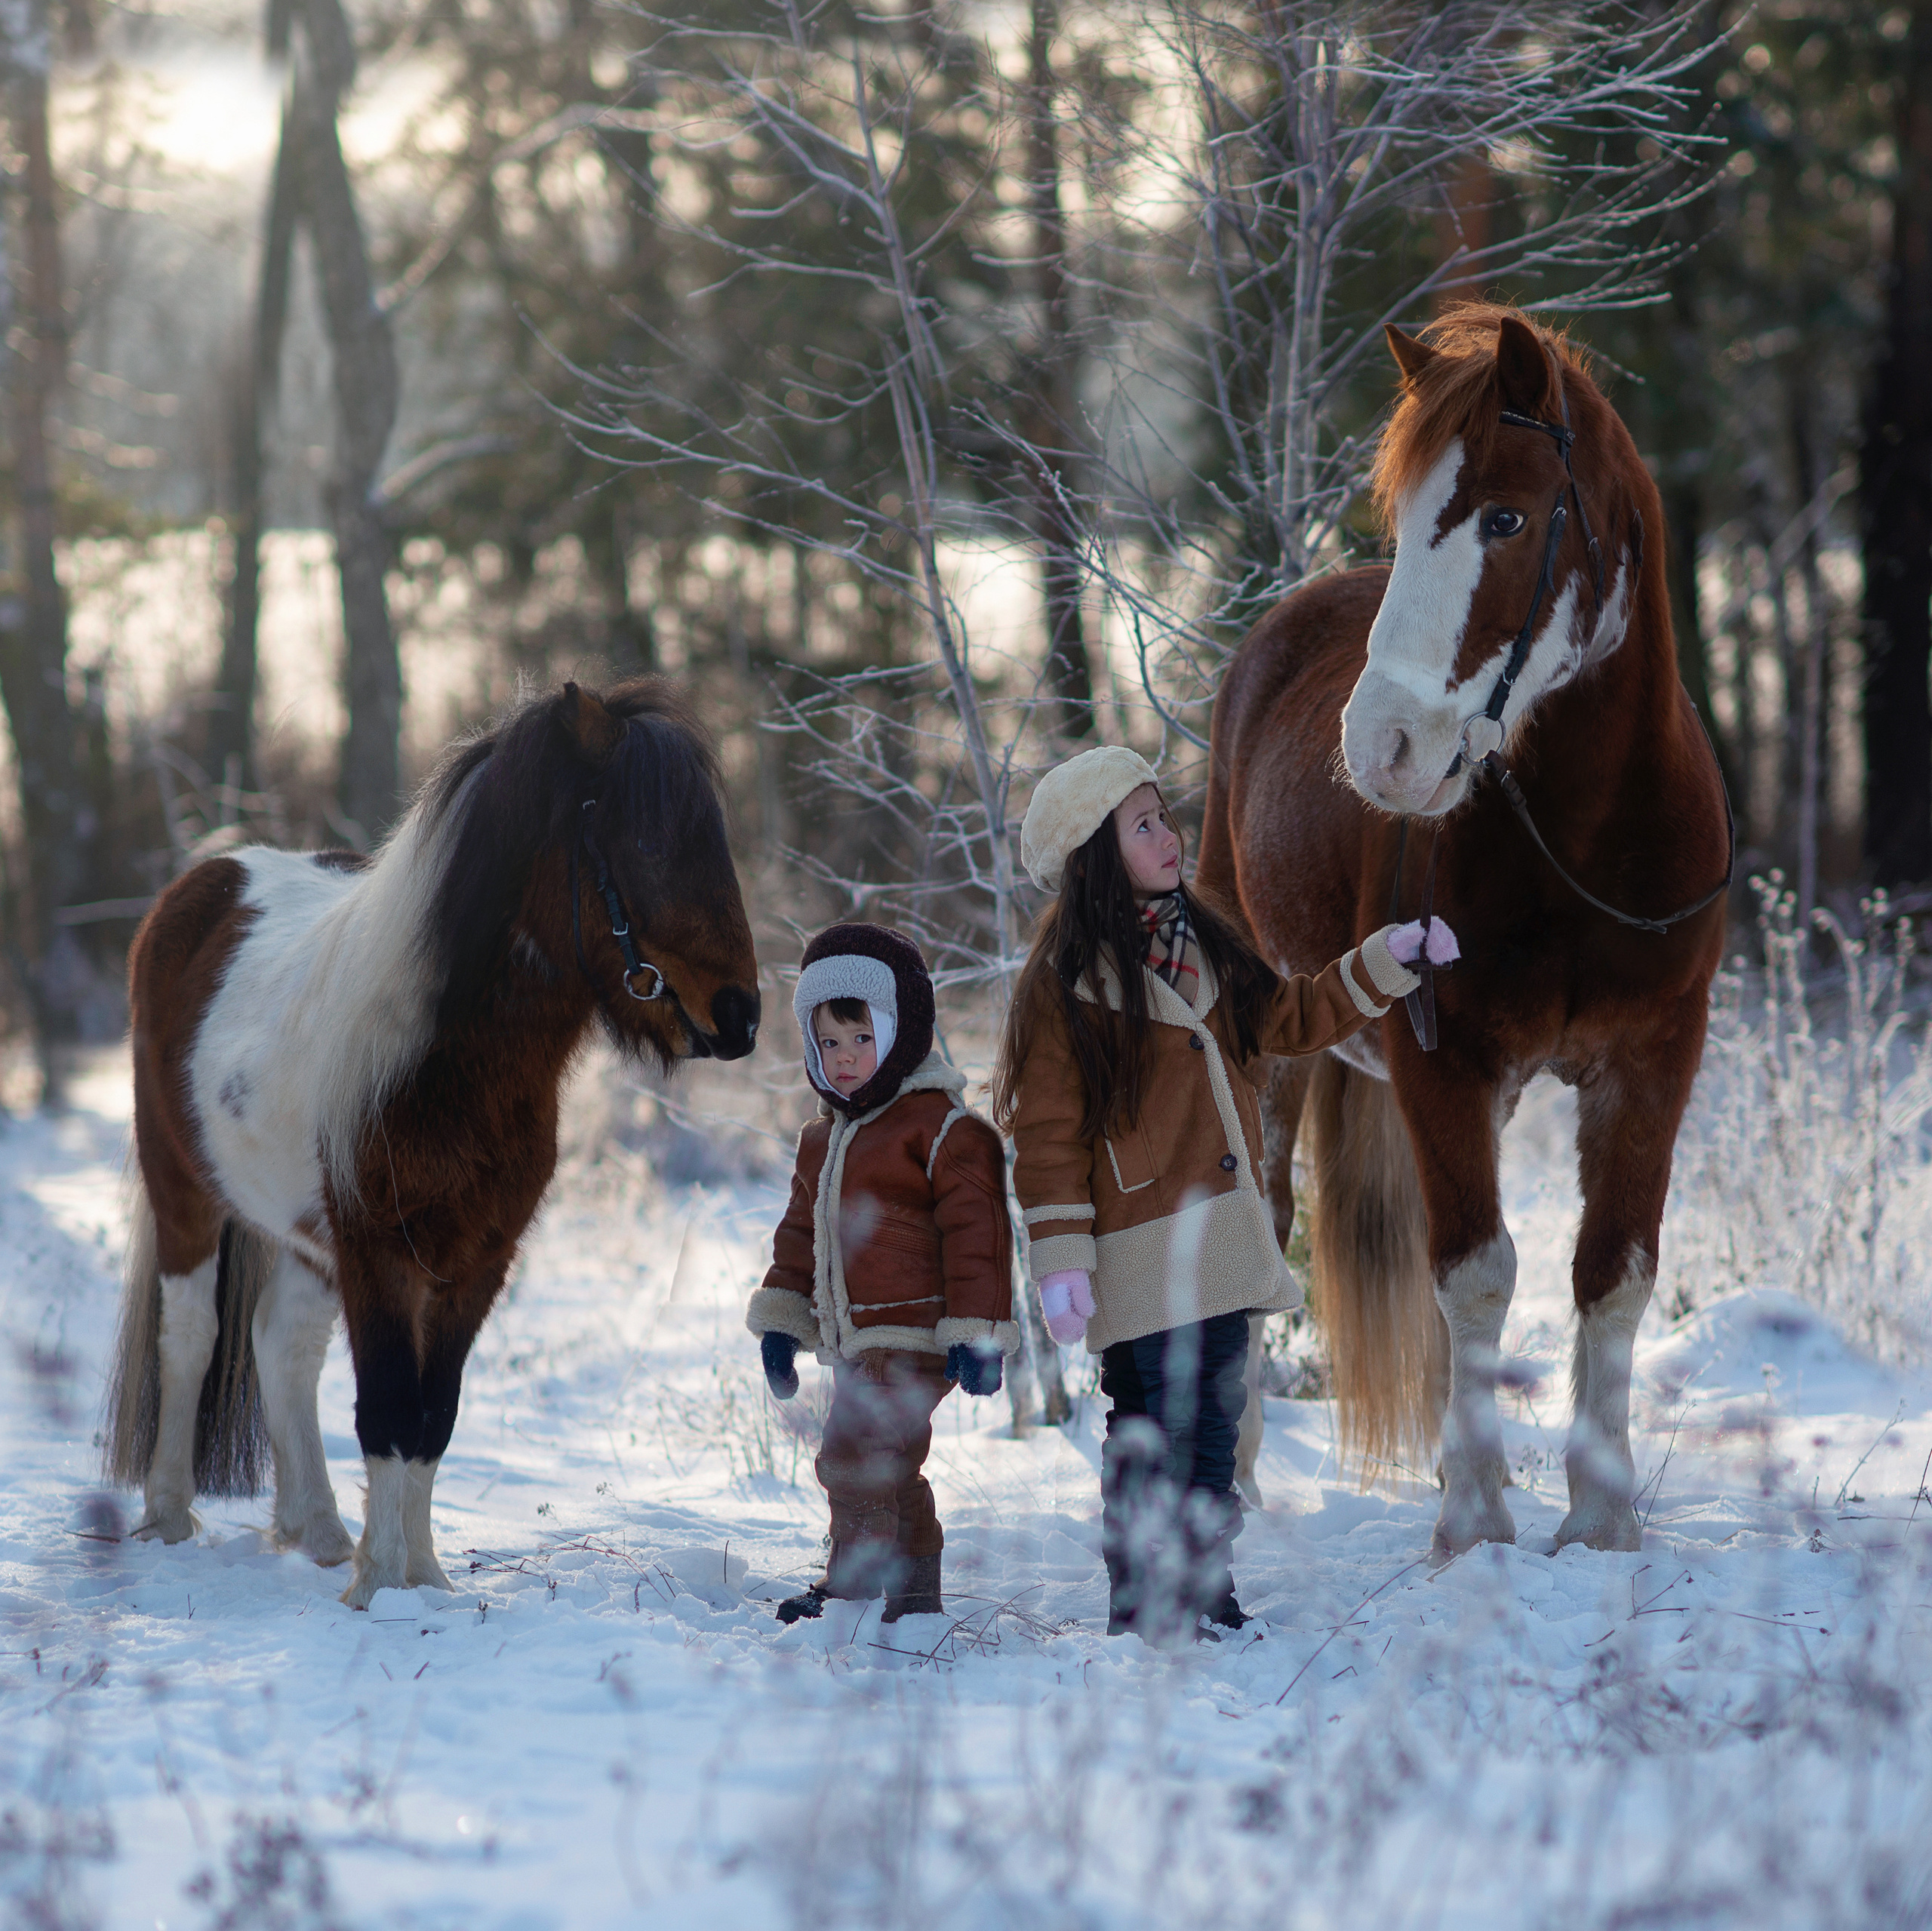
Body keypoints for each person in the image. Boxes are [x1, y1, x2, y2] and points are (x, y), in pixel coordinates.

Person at [991, 746, 1453, 1641]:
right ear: (1095, 855)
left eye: (1163, 816)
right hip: (1135, 1247)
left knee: (1208, 1426)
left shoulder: (1202, 943)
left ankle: (1198, 1592)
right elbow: (1046, 1134)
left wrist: (1384, 962)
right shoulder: (1064, 988)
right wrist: (1060, 1260)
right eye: (1142, 826)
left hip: (1219, 1242)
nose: (1169, 836)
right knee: (1145, 1426)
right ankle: (1143, 1597)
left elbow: (1292, 1018)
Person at [748, 922, 1018, 1625]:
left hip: (917, 1335)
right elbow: (800, 1236)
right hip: (856, 1339)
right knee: (892, 1466)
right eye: (828, 1042)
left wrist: (979, 1332)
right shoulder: (822, 1140)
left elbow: (979, 1234)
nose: (844, 1058)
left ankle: (854, 1594)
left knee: (854, 1454)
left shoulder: (939, 1127)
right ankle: (916, 1598)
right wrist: (783, 1322)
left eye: (862, 1038)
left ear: (900, 1034)